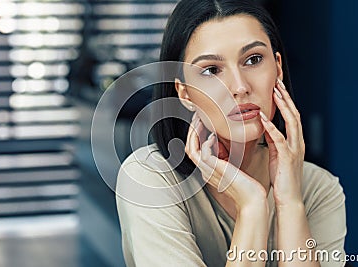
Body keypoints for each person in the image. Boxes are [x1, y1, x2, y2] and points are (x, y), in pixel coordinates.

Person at [115, 0, 346, 266]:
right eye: (212, 70)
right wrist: (252, 207)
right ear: (185, 93)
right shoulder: (149, 179)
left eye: (253, 59)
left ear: (278, 68)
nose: (239, 87)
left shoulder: (319, 190)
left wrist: (290, 203)